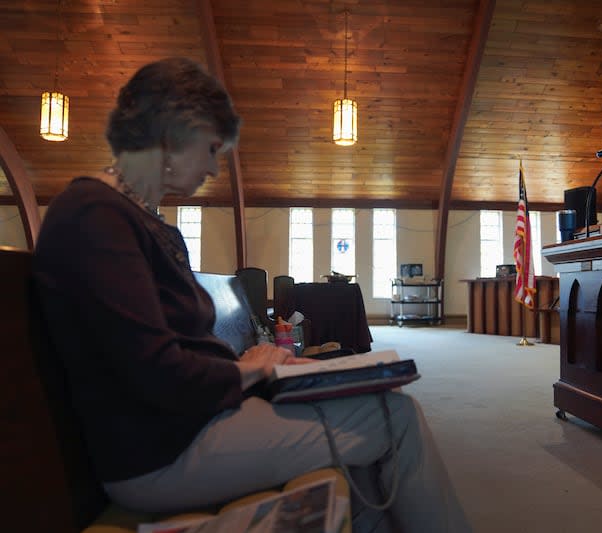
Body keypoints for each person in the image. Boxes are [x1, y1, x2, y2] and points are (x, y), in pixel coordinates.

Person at [33, 57, 471, 533]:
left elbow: (179, 348)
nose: (214, 166)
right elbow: (156, 372)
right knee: (395, 416)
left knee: (361, 429)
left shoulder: (138, 219)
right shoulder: (93, 215)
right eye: (211, 148)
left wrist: (265, 366)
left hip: (192, 421)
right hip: (162, 449)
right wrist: (253, 369)